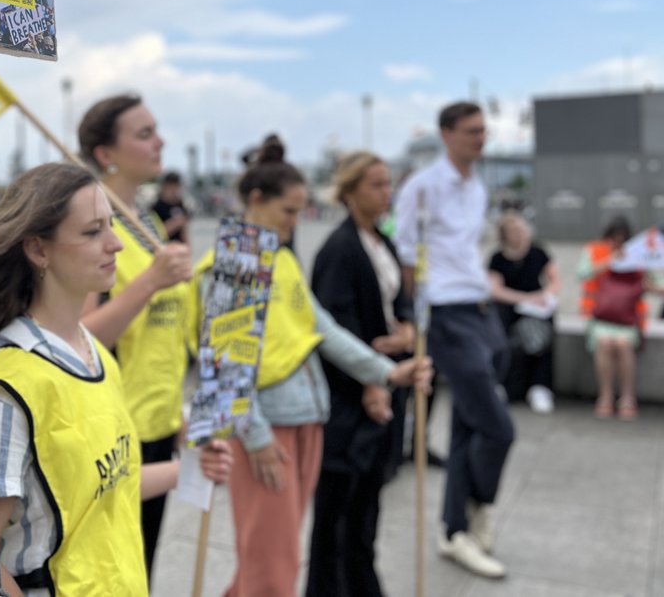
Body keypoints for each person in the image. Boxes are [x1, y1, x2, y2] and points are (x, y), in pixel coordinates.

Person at [0, 163, 231, 596]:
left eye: (111, 227)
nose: (115, 244)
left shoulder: (95, 353)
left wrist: (187, 469)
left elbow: (110, 483)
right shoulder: (7, 393)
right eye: (92, 232)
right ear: (39, 250)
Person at [211, 141, 432, 597]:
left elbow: (322, 329)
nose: (296, 223)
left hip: (304, 416)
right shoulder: (242, 258)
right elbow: (224, 366)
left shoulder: (281, 256)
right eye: (289, 212)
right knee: (273, 569)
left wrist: (386, 373)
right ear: (256, 200)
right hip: (271, 427)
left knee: (271, 562)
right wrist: (254, 436)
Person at [75, 94, 193, 577]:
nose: (160, 141)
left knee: (143, 567)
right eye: (144, 134)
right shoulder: (91, 223)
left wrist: (177, 413)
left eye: (156, 130)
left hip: (160, 422)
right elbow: (76, 341)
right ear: (107, 153)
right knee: (117, 572)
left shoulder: (149, 222)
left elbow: (162, 340)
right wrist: (150, 282)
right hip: (117, 434)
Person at [394, 101, 511, 579]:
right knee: (499, 428)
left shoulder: (478, 186)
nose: (479, 139)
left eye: (483, 131)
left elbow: (465, 249)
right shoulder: (422, 187)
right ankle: (476, 505)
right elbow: (406, 253)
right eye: (470, 131)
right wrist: (414, 317)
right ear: (445, 135)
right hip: (446, 314)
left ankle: (453, 527)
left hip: (481, 309)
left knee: (468, 425)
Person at [305, 152, 414, 597]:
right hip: (352, 400)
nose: (386, 193)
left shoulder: (382, 242)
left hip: (388, 381)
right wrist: (370, 381)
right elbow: (335, 328)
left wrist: (406, 329)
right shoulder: (339, 249)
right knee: (337, 513)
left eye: (389, 184)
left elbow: (399, 303)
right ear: (350, 192)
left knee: (368, 507)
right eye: (376, 185)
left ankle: (363, 583)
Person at [578, 216, 663, 420]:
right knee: (605, 343)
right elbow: (583, 273)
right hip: (599, 315)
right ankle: (605, 397)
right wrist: (611, 260)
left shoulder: (637, 255)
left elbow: (655, 283)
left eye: (621, 238)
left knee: (623, 344)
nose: (617, 242)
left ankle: (627, 398)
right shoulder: (595, 250)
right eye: (613, 238)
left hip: (627, 318)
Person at [487, 212, 560, 414]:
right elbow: (494, 289)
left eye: (521, 229)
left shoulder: (538, 253)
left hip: (536, 308)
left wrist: (544, 296)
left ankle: (540, 388)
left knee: (543, 337)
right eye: (514, 231)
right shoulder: (497, 258)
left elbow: (554, 280)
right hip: (510, 309)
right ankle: (505, 386)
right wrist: (525, 299)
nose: (520, 234)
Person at [151, 170, 191, 243]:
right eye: (170, 186)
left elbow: (184, 230)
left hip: (180, 246)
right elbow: (155, 233)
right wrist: (175, 223)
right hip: (164, 246)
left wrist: (188, 246)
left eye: (176, 186)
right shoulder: (157, 207)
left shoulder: (180, 204)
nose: (173, 190)